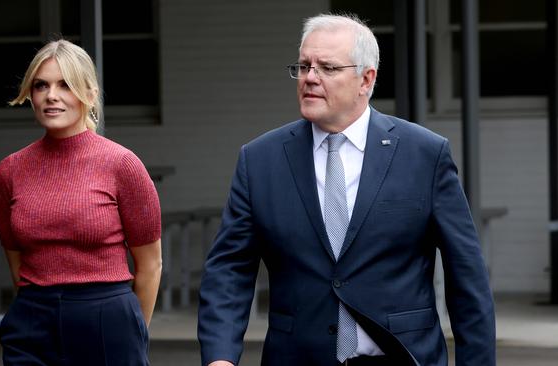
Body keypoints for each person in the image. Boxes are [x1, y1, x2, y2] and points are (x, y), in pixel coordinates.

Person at [198, 14, 495, 366]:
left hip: (399, 357)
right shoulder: (261, 160)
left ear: (365, 80)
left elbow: (467, 277)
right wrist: (219, 357)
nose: (310, 77)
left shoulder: (424, 154)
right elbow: (229, 271)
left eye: (327, 68)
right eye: (304, 65)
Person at [0, 39, 162, 366]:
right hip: (31, 319)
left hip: (105, 319)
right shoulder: (10, 171)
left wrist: (132, 332)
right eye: (42, 85)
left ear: (89, 94)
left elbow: (150, 265)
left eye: (65, 85)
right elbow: (16, 263)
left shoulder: (121, 164)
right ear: (31, 93)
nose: (51, 95)